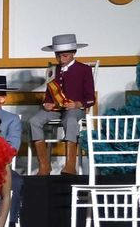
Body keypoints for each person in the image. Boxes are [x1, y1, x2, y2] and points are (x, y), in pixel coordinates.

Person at [23, 34, 96, 175]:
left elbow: (91, 98)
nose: (61, 59)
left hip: (75, 109)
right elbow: (48, 95)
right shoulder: (53, 70)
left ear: (74, 53)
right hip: (56, 109)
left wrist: (77, 104)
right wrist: (46, 104)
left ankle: (70, 165)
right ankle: (44, 166)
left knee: (70, 119)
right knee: (34, 120)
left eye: (65, 56)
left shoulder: (84, 70)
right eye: (58, 56)